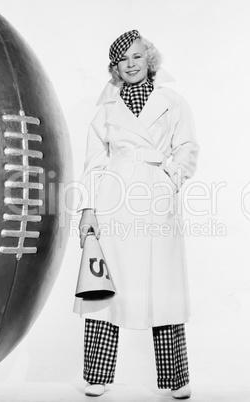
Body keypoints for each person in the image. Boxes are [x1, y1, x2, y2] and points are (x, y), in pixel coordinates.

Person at [75, 29, 199, 399]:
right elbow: (93, 163)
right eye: (123, 59)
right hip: (115, 199)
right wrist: (88, 209)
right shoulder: (106, 111)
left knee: (164, 290)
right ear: (115, 66)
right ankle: (97, 375)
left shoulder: (172, 101)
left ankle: (176, 379)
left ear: (150, 59)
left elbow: (188, 147)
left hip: (156, 196)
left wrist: (170, 180)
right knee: (104, 290)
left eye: (137, 57)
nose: (131, 64)